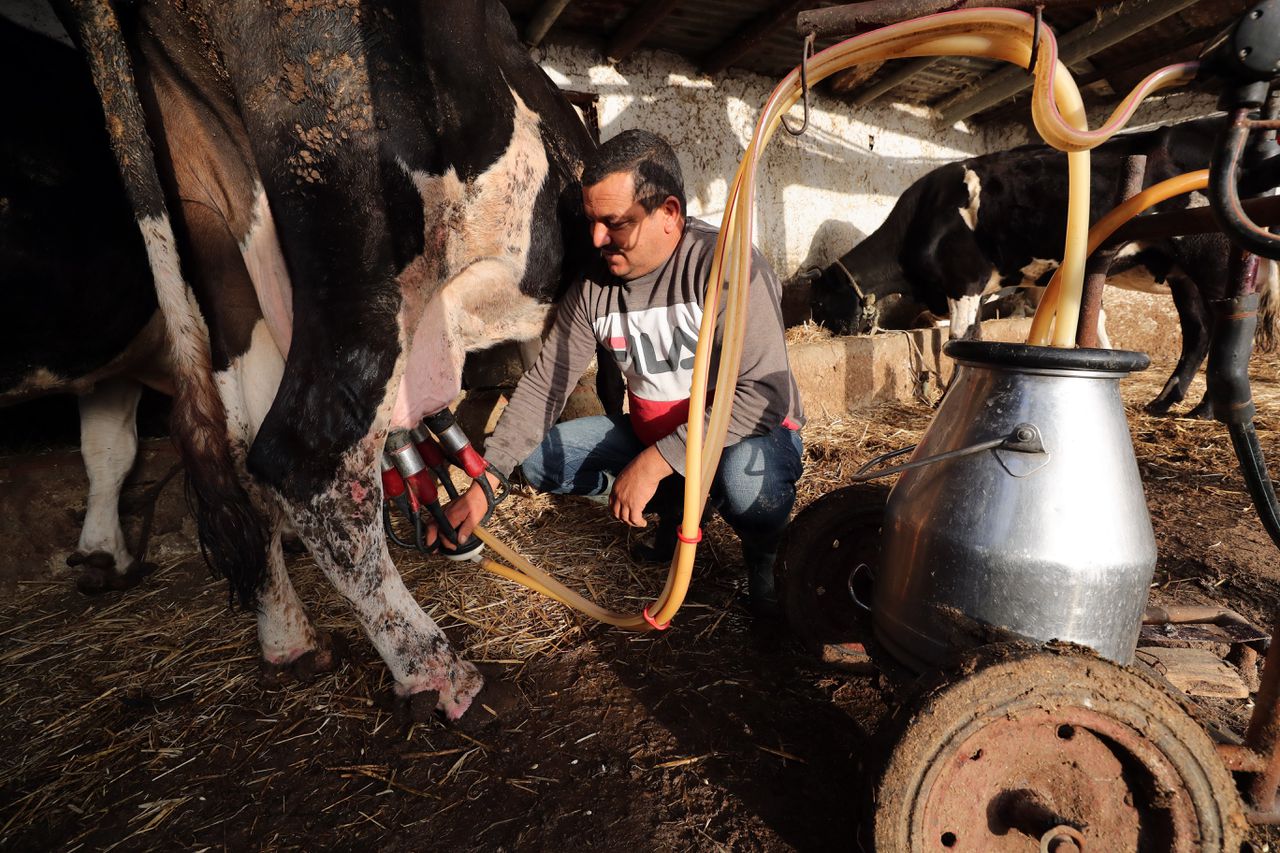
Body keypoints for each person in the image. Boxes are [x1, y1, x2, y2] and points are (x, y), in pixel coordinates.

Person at [435, 129, 804, 614]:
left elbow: (761, 394)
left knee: (744, 486)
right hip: (655, 435)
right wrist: (487, 482)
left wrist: (652, 464)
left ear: (669, 214)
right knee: (540, 461)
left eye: (615, 223)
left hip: (746, 437)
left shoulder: (726, 267)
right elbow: (547, 381)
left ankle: (764, 554)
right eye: (592, 222)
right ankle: (675, 505)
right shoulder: (597, 285)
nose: (597, 239)